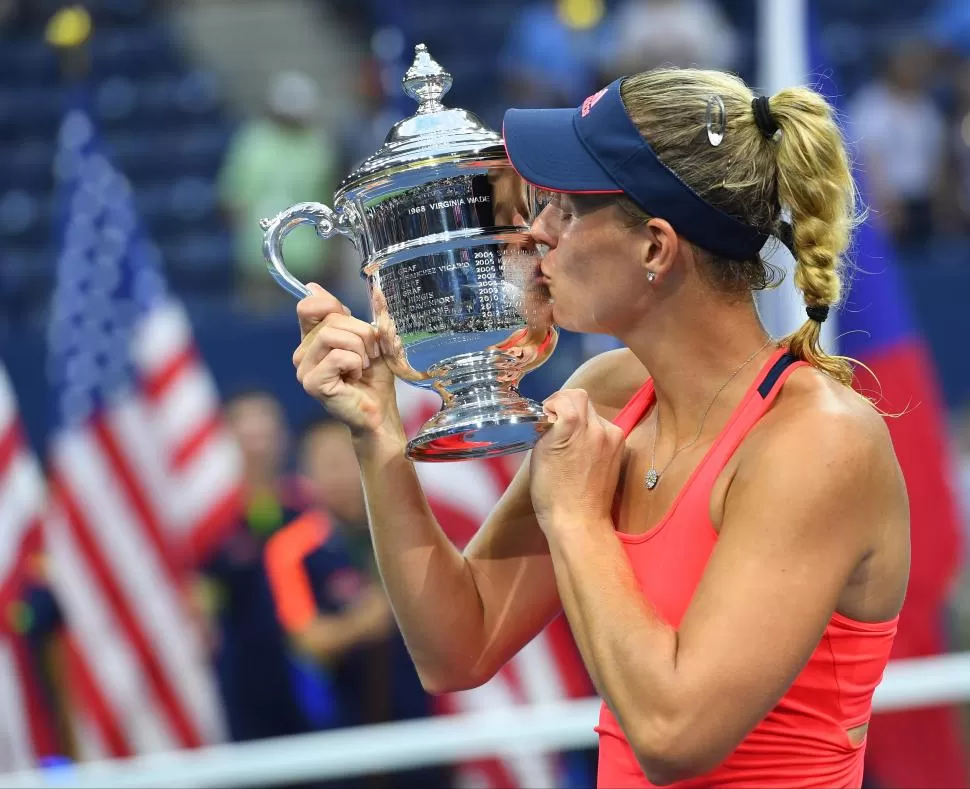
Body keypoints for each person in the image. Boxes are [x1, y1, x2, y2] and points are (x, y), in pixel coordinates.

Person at [289, 68, 911, 788]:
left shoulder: (820, 439)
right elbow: (457, 647)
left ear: (655, 246)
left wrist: (578, 519)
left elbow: (673, 734)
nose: (535, 231)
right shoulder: (610, 394)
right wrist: (379, 436)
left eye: (567, 209)